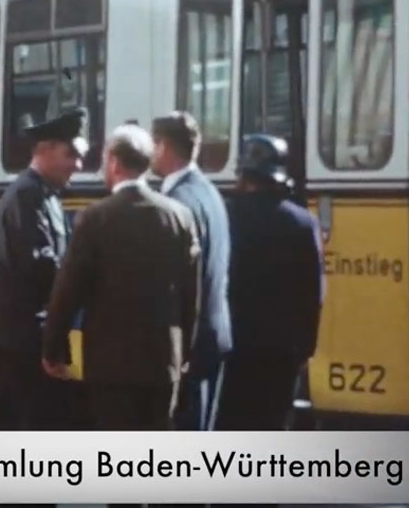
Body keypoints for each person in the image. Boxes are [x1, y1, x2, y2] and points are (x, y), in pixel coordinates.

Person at [42, 123, 200, 431]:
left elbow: (68, 290)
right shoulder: (180, 216)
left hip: (110, 364)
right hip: (163, 360)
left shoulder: (95, 217)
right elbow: (191, 293)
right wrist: (186, 351)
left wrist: (54, 349)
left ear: (113, 162)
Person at [0, 109, 88, 431]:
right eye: (71, 155)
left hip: (30, 334)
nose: (78, 165)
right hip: (19, 339)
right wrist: (85, 281)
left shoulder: (45, 194)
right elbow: (40, 264)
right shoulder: (27, 195)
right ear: (45, 150)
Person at [216, 135, 324, 431]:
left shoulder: (225, 217)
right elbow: (312, 293)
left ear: (243, 175)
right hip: (281, 351)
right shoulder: (302, 222)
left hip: (233, 346)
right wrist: (306, 348)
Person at [149, 112, 232, 432]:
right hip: (214, 335)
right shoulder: (210, 193)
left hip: (188, 347)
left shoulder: (176, 203)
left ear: (163, 146)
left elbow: (172, 285)